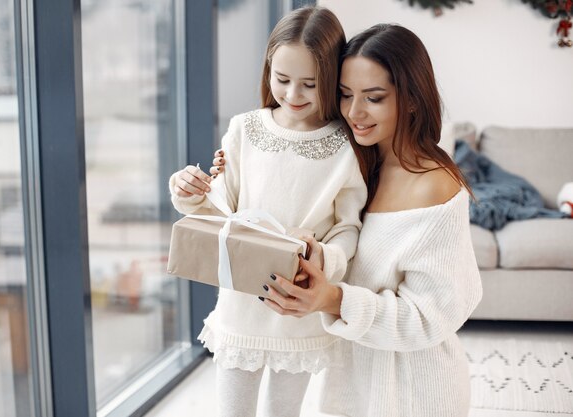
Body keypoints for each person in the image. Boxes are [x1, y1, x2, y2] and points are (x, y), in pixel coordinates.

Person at [212, 24, 483, 417]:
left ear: (411, 99)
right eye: (344, 94)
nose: (354, 112)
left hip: (412, 395)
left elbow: (431, 317)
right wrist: (226, 168)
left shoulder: (434, 188)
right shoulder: (362, 159)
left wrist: (333, 300)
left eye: (373, 98)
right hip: (351, 389)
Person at [169, 7, 367, 417]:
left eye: (309, 84)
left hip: (297, 306)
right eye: (282, 80)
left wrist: (321, 255)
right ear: (268, 70)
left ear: (331, 78)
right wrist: (188, 192)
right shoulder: (244, 129)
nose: (293, 95)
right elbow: (220, 210)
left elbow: (348, 229)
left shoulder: (347, 146)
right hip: (240, 306)